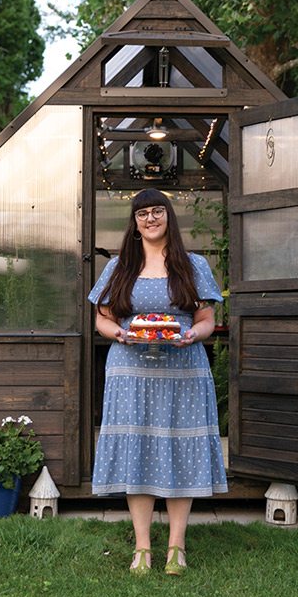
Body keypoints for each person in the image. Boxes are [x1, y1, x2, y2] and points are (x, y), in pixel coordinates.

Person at [88, 188, 227, 576]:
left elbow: (205, 320)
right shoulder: (119, 267)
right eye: (142, 214)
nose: (150, 219)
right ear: (134, 223)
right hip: (130, 369)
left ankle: (176, 547)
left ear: (168, 216)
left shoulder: (192, 264)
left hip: (183, 366)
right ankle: (142, 548)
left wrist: (192, 336)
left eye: (157, 211)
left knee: (181, 449)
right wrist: (118, 333)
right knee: (139, 449)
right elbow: (102, 318)